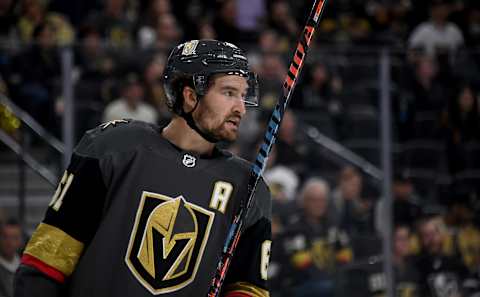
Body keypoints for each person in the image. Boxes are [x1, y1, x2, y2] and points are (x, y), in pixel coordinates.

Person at [14, 39, 272, 297]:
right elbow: (46, 260)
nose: (240, 108)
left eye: (243, 94)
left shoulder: (248, 188)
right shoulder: (113, 148)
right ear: (190, 95)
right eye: (228, 93)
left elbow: (248, 288)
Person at [0, 219, 23, 297]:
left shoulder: (25, 268)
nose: (9, 242)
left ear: (20, 240)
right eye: (5, 237)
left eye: (14, 237)